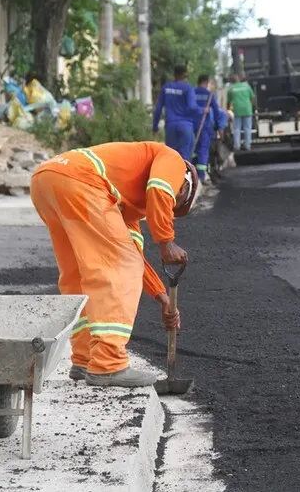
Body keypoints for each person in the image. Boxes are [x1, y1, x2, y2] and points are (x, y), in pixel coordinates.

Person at [30, 141, 200, 387]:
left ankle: (85, 359)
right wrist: (166, 241)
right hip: (81, 181)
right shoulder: (173, 160)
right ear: (185, 185)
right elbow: (160, 188)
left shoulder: (123, 202)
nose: (171, 205)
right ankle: (108, 364)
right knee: (118, 267)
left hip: (47, 179)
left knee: (79, 272)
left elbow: (135, 256)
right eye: (176, 202)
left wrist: (162, 297)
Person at [153, 66, 202, 160]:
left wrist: (155, 127)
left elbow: (158, 108)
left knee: (171, 157)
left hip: (170, 127)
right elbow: (192, 107)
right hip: (185, 126)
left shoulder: (166, 88)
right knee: (185, 159)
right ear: (185, 75)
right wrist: (202, 110)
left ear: (174, 74)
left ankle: (172, 174)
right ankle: (184, 174)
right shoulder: (188, 88)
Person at [193, 75, 224, 186]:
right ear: (206, 83)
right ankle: (201, 175)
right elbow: (216, 111)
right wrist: (217, 125)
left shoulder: (192, 92)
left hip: (191, 126)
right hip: (204, 127)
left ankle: (191, 171)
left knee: (193, 150)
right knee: (203, 151)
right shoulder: (209, 95)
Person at [226, 74, 256, 151]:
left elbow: (228, 102)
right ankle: (247, 145)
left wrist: (228, 110)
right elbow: (252, 97)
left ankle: (237, 146)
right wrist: (251, 106)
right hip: (247, 109)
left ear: (231, 81)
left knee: (236, 128)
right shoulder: (246, 86)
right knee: (247, 128)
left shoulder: (231, 88)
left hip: (237, 110)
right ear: (238, 79)